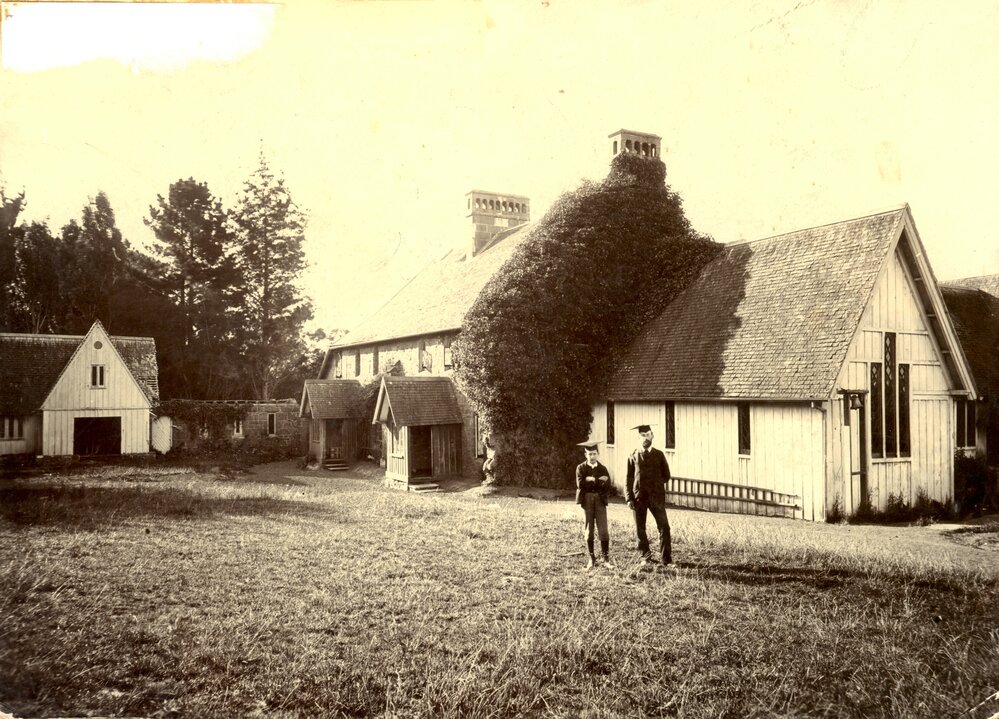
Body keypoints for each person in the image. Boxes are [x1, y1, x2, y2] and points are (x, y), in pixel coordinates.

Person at [625, 424, 675, 569]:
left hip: (656, 498)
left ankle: (666, 559)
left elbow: (666, 475)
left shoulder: (659, 455)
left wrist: (655, 486)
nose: (645, 438)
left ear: (652, 436)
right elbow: (628, 478)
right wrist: (629, 498)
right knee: (640, 528)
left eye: (648, 435)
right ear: (638, 437)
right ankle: (645, 556)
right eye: (642, 435)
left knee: (664, 527)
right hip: (639, 498)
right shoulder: (633, 455)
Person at [575, 440, 614, 569]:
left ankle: (606, 559)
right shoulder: (581, 468)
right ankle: (591, 558)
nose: (592, 456)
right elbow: (580, 484)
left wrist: (591, 480)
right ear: (585, 455)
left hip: (600, 500)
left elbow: (607, 485)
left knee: (603, 529)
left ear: (598, 454)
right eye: (589, 454)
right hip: (587, 500)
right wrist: (596, 482)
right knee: (589, 529)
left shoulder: (602, 468)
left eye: (594, 454)